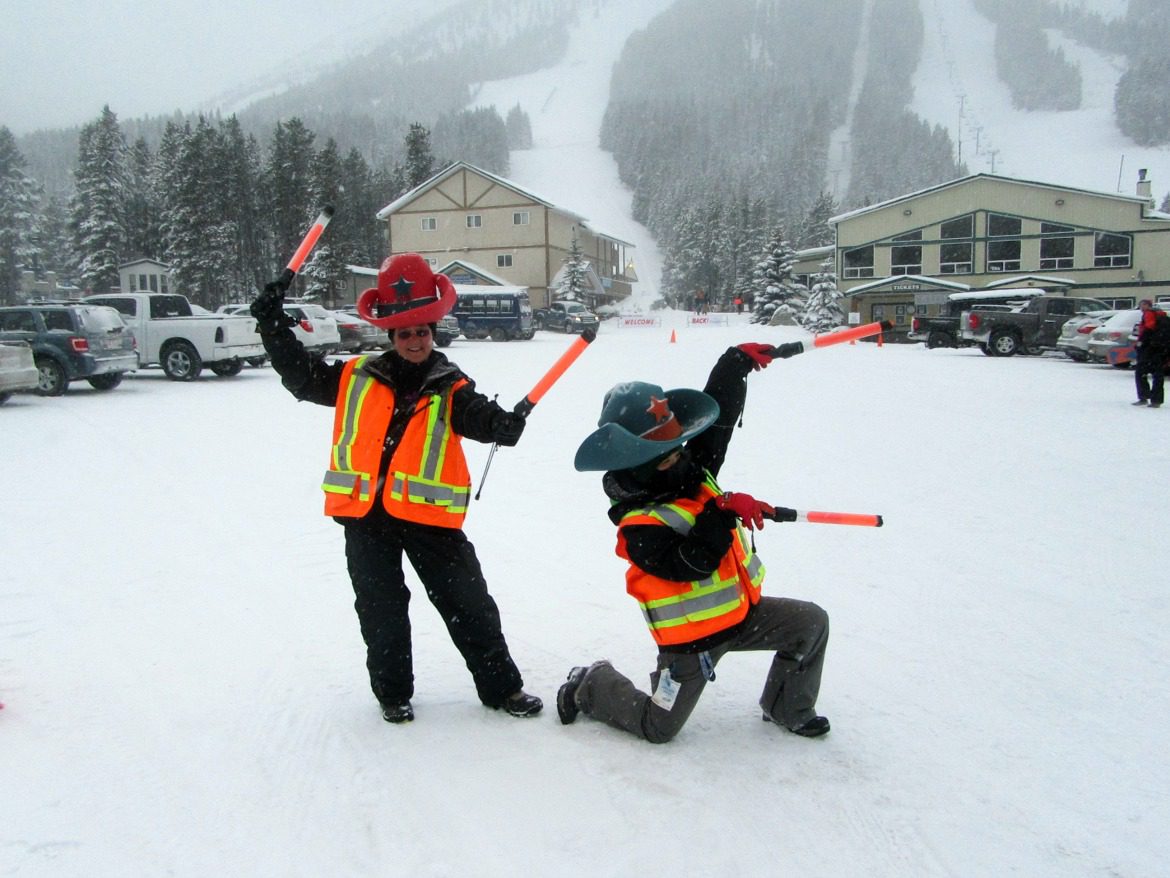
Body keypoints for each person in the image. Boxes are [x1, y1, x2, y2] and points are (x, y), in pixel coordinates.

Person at [250, 253, 542, 723]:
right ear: (390, 336)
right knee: (381, 613)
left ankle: (502, 689)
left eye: (422, 331)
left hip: (430, 520)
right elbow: (301, 377)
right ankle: (393, 694)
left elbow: (477, 416)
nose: (414, 340)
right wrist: (271, 327)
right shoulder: (354, 377)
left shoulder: (451, 385)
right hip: (367, 520)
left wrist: (500, 425)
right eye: (405, 333)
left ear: (433, 332)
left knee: (471, 606)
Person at [557, 341, 830, 743]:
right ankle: (591, 684)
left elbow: (718, 421)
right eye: (666, 456)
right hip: (691, 645)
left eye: (679, 447)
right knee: (657, 728)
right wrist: (722, 511)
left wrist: (734, 363)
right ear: (639, 464)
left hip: (743, 617)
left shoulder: (686, 467)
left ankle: (786, 705)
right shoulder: (638, 527)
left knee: (811, 623)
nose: (681, 457)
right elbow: (692, 562)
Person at [1132, 299, 1170, 408]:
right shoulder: (1162, 316)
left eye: (1142, 305)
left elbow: (1149, 328)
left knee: (1140, 372)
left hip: (1149, 348)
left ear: (1148, 305)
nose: (1141, 307)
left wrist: (1141, 342)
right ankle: (1156, 400)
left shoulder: (1149, 314)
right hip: (1161, 348)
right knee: (1158, 374)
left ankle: (1144, 396)